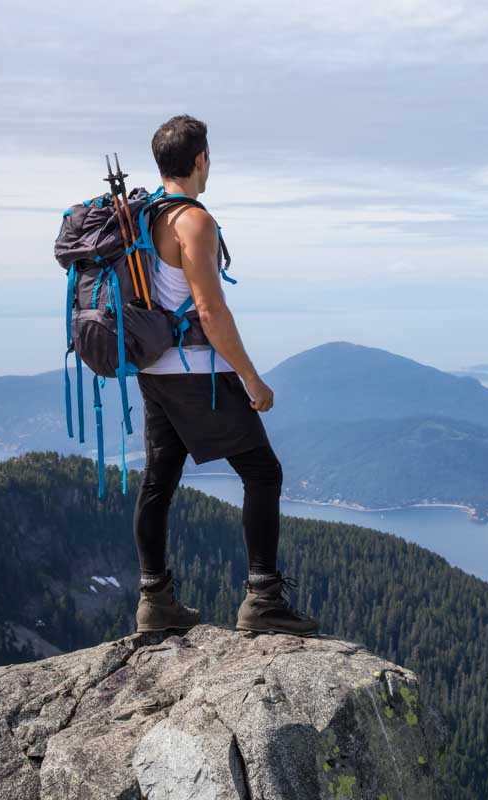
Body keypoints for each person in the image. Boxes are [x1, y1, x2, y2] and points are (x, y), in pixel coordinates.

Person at [133, 114, 319, 637]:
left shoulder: (143, 218)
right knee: (263, 473)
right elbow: (210, 311)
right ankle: (262, 599)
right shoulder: (194, 220)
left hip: (152, 370)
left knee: (158, 479)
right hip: (196, 373)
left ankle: (154, 600)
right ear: (200, 161)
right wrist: (252, 380)